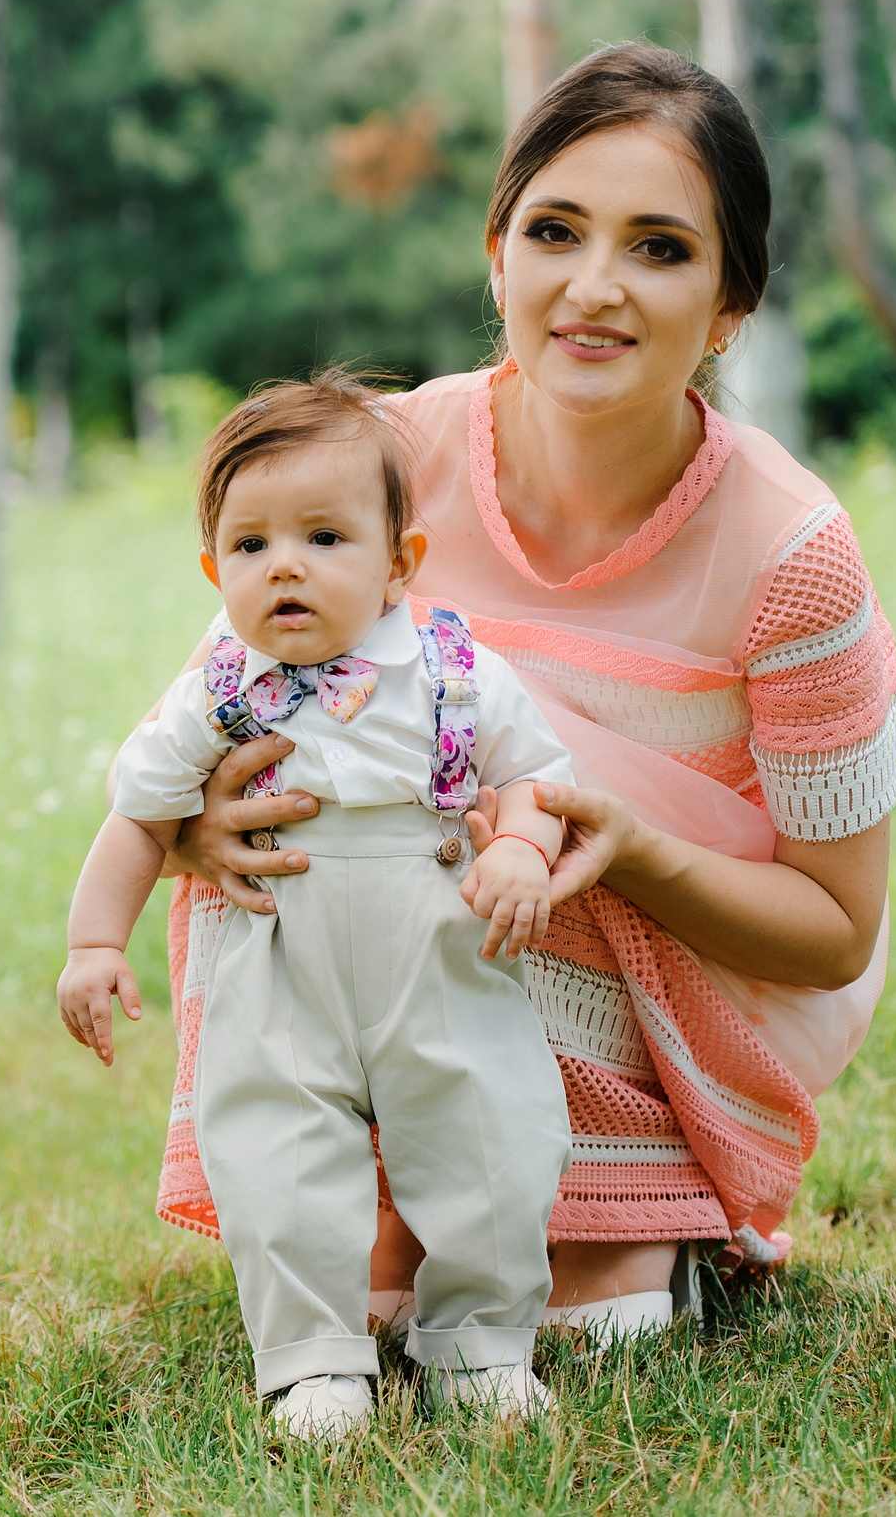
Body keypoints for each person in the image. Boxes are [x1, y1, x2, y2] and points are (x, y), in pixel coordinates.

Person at [153, 43, 896, 1342]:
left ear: (730, 301)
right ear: (497, 255)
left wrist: (632, 846)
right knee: (372, 1292)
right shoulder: (378, 462)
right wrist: (194, 827)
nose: (594, 287)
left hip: (681, 949)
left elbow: (836, 928)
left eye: (660, 248)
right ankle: (363, 1189)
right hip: (377, 933)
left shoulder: (792, 551)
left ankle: (634, 1205)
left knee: (522, 796)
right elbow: (215, 708)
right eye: (555, 230)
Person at [58, 374, 582, 1438]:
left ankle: (481, 1342)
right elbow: (138, 816)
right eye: (249, 545)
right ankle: (311, 1360)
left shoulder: (453, 667)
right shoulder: (212, 689)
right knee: (276, 1144)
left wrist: (524, 846)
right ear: (215, 571)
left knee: (488, 1127)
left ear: (399, 563)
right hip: (276, 947)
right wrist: (91, 941)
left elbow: (536, 773)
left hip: (439, 942)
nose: (284, 562)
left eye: (324, 537)